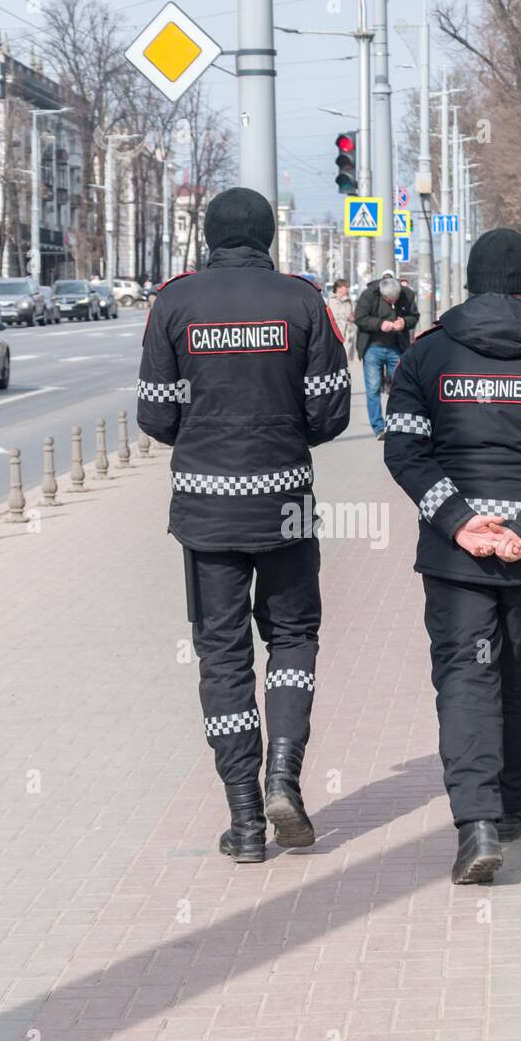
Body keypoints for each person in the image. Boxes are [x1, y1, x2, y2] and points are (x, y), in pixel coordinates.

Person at [136, 187, 351, 862]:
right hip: (285, 503)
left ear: (209, 235)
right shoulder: (303, 302)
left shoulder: (174, 303)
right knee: (290, 638)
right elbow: (330, 412)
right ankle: (284, 775)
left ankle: (247, 819)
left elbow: (156, 413)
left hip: (205, 512)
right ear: (266, 237)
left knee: (223, 656)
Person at [383, 227, 521, 885]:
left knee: (465, 676)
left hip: (457, 559)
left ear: (473, 280)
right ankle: (515, 800)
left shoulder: (430, 355)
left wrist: (461, 522)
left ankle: (476, 824)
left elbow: (405, 450)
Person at [355, 270, 419, 439]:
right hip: (372, 348)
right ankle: (379, 427)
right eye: (390, 300)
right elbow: (360, 318)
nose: (393, 302)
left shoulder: (407, 294)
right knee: (373, 389)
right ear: (382, 295)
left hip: (396, 347)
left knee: (401, 387)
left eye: (396, 298)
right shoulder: (369, 295)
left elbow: (414, 316)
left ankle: (398, 423)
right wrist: (379, 324)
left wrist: (404, 322)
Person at [328, 277, 357, 361]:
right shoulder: (329, 300)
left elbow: (355, 315)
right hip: (333, 332)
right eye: (346, 287)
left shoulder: (350, 302)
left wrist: (353, 318)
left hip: (347, 334)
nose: (348, 289)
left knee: (347, 359)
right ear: (339, 288)